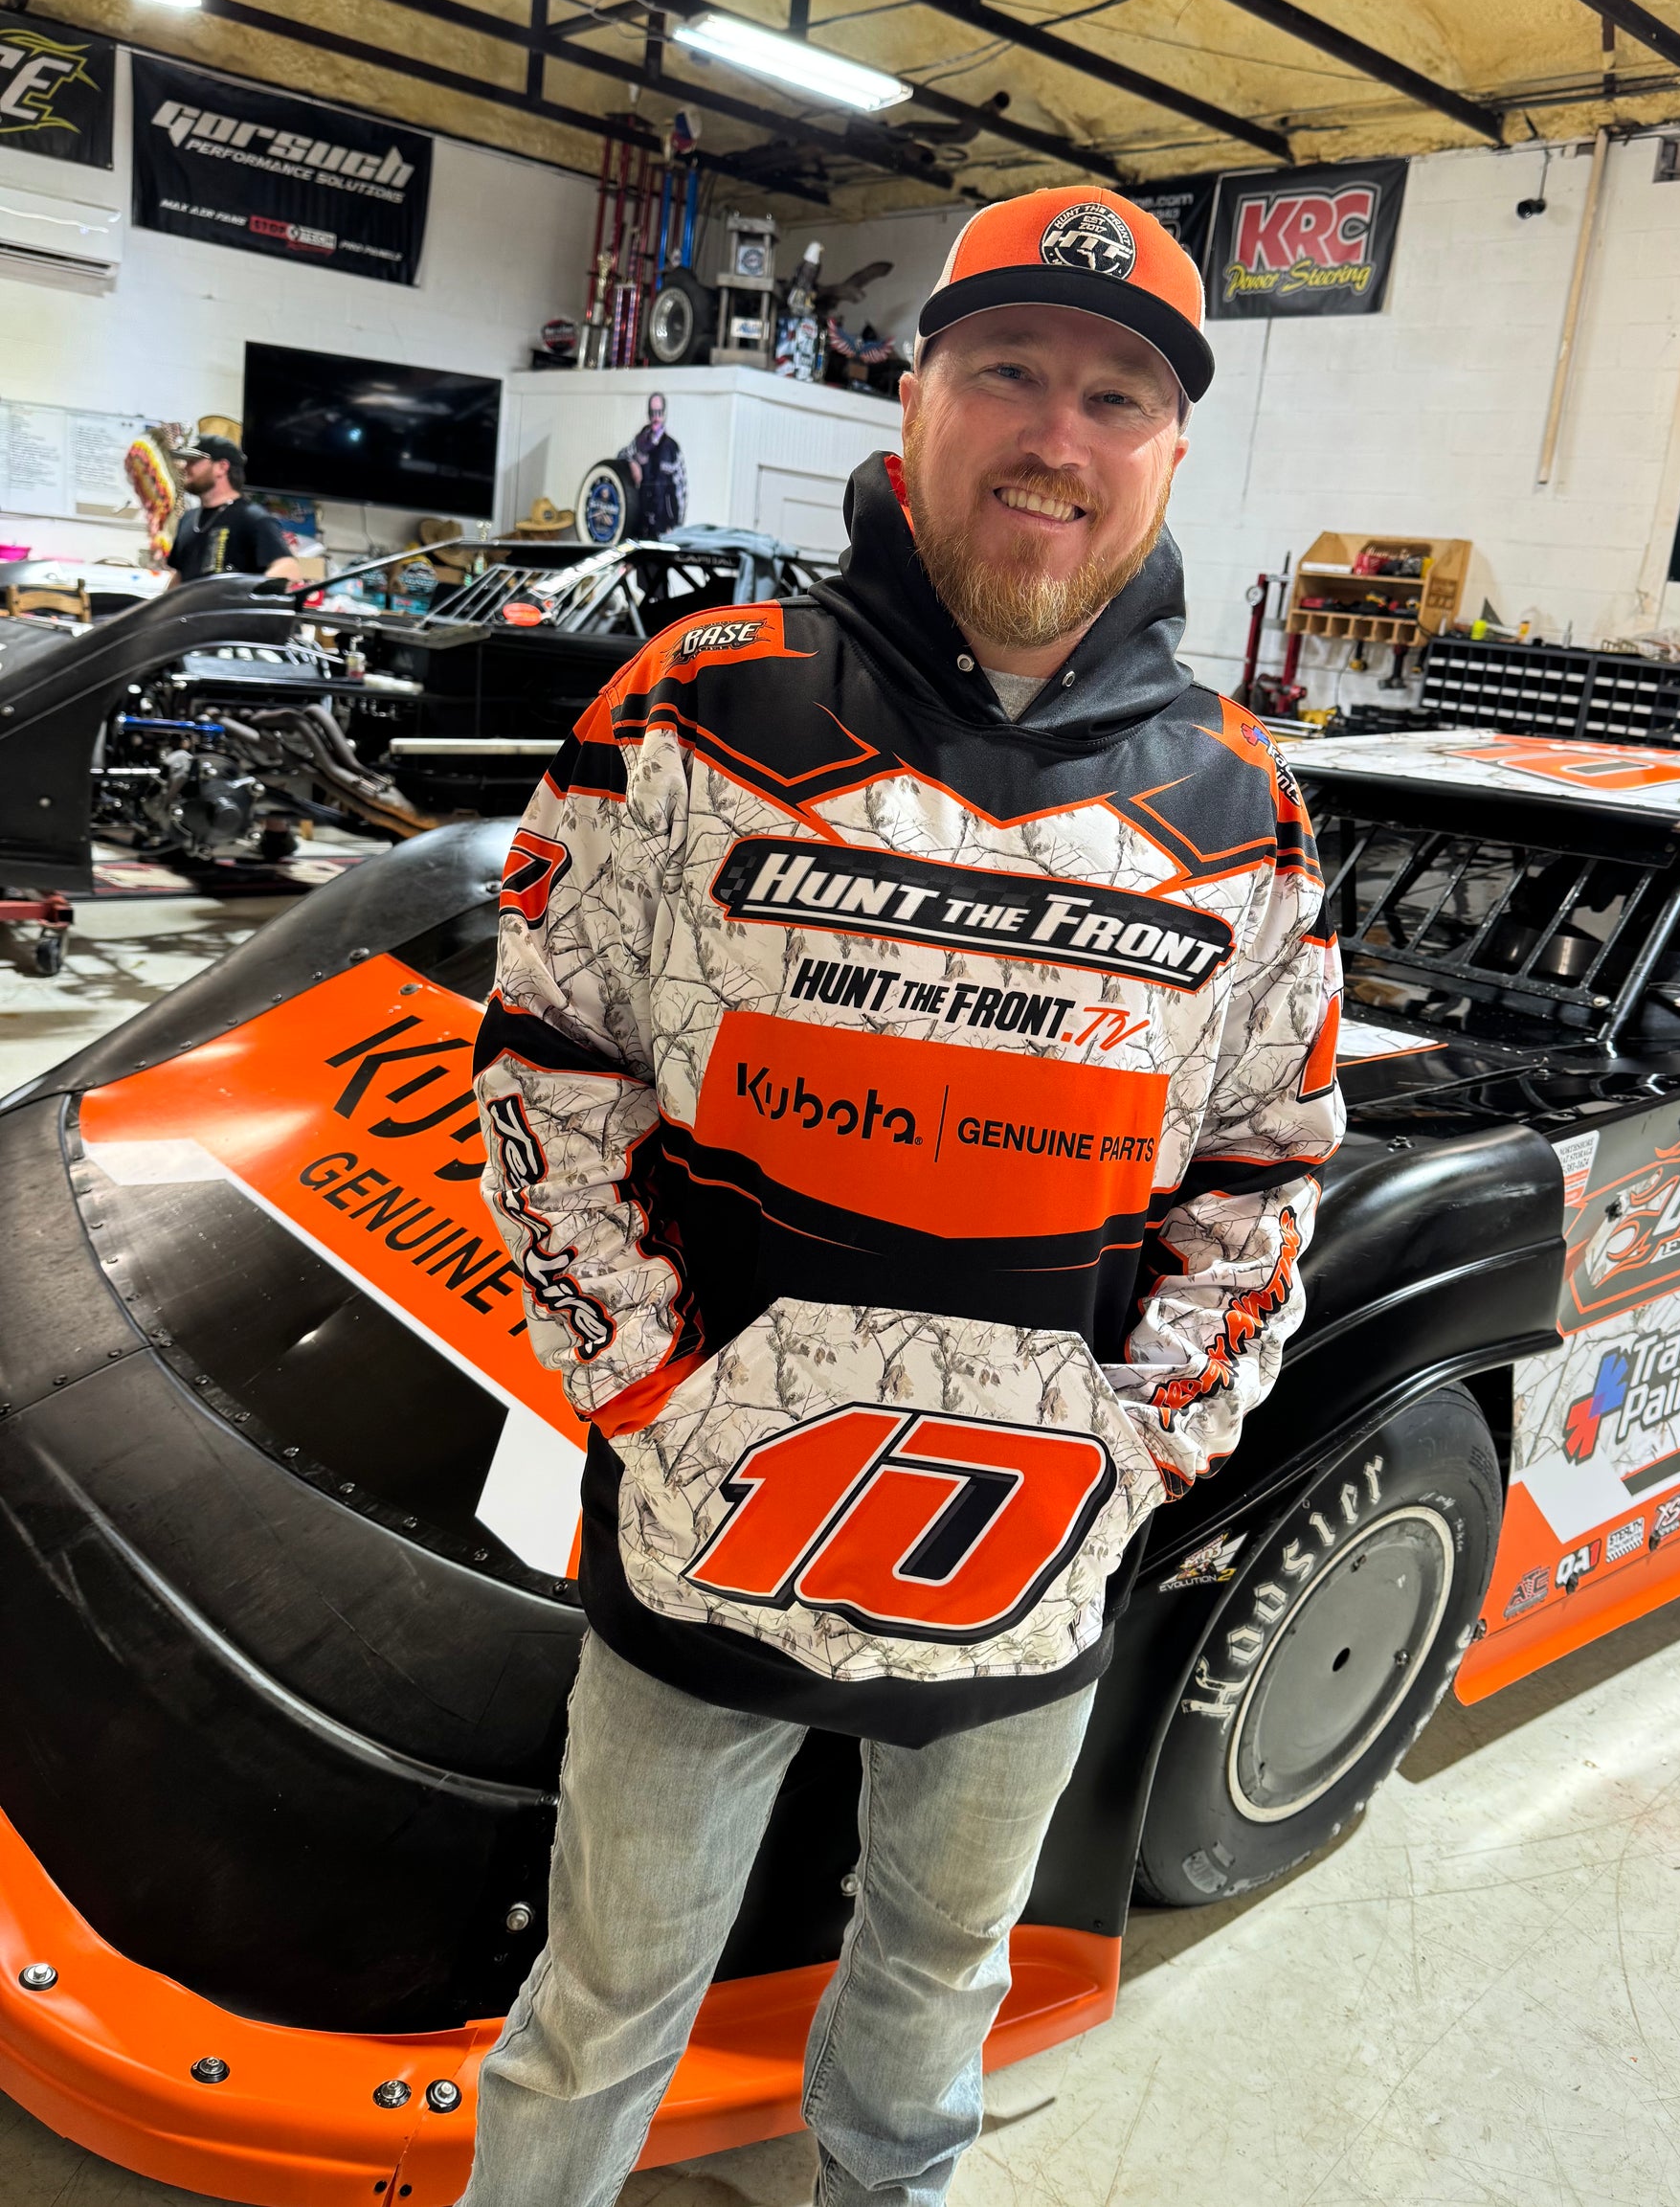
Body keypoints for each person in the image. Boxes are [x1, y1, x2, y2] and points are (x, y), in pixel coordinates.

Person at [465, 185, 1344, 2207]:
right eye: (1008, 370)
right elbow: (546, 1071)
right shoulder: (695, 704)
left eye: (1115, 396)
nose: (1057, 433)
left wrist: (1139, 1441)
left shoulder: (1247, 807)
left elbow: (1268, 1166)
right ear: (915, 401)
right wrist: (653, 1393)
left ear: (1171, 451)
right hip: (704, 1532)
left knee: (938, 1988)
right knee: (598, 2008)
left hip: (1028, 1554)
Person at [162, 435, 302, 583]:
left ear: (222, 467)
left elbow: (289, 569)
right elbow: (180, 576)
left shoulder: (252, 518)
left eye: (193, 461)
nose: (185, 467)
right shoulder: (188, 519)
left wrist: (242, 594)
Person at [627, 390, 687, 537]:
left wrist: (676, 525)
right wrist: (632, 463)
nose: (656, 417)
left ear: (664, 414)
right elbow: (622, 456)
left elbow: (681, 489)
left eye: (659, 413)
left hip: (664, 527)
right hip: (640, 524)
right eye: (652, 413)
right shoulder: (638, 442)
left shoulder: (672, 448)